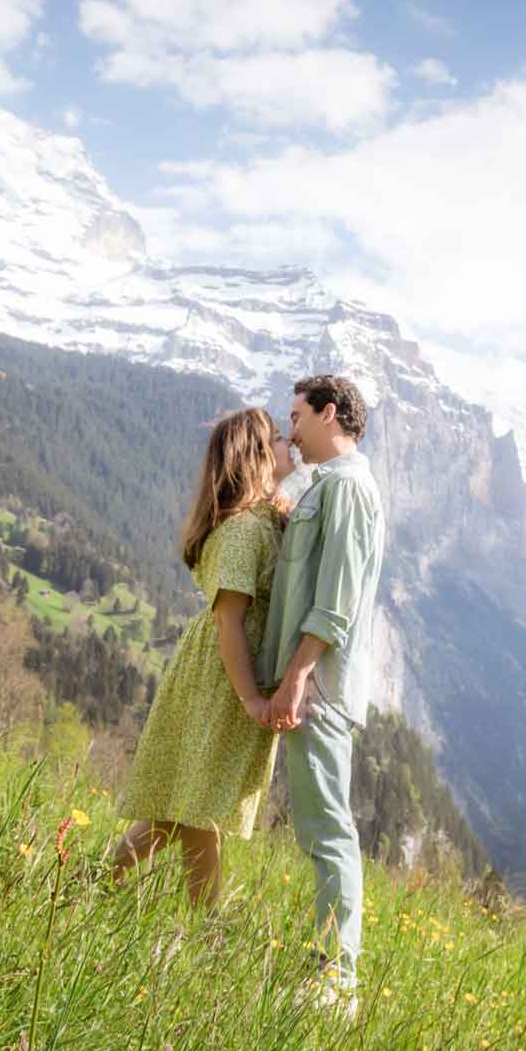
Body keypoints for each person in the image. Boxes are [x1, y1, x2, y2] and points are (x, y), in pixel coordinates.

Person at [110, 407, 292, 906]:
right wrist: (252, 697)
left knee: (181, 805)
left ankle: (89, 884)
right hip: (222, 677)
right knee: (202, 806)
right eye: (278, 439)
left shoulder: (261, 519)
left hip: (221, 673)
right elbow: (229, 620)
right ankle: (206, 932)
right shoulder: (241, 531)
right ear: (258, 456)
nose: (289, 444)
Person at [261, 374, 386, 999]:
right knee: (317, 826)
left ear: (329, 413)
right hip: (308, 684)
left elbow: (335, 603)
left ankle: (337, 978)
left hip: (320, 690)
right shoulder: (326, 486)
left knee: (329, 828)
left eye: (297, 416)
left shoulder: (350, 488)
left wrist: (296, 680)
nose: (291, 430)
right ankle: (330, 965)